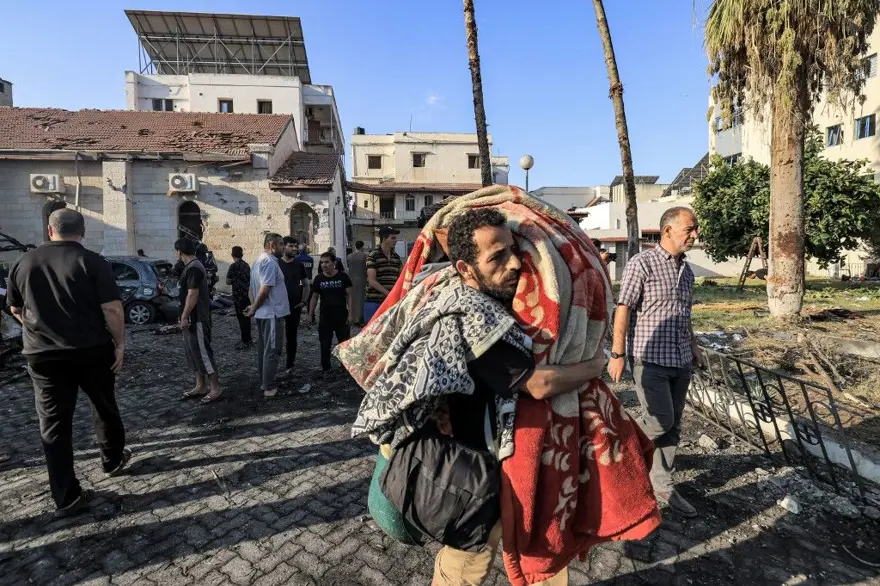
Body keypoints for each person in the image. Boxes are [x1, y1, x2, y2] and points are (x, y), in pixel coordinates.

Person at [431, 209, 605, 585]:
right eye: (496, 257)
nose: (513, 263)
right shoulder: (468, 317)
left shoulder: (505, 303)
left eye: (513, 250)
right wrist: (594, 366)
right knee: (464, 569)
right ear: (464, 269)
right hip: (477, 476)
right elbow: (538, 384)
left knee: (545, 560)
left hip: (526, 464)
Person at [6, 209, 130, 516]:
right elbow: (113, 309)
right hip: (91, 350)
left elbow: (15, 309)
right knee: (103, 405)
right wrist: (120, 344)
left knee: (53, 424)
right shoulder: (93, 262)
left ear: (49, 230)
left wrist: (37, 329)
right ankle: (112, 460)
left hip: (43, 355)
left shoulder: (23, 262)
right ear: (82, 232)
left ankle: (65, 495)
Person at [608, 206, 705, 519]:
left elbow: (684, 314)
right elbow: (623, 308)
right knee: (660, 420)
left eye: (696, 229)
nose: (695, 235)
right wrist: (617, 354)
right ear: (667, 230)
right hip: (650, 359)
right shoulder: (642, 263)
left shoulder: (687, 272)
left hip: (680, 359)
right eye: (689, 229)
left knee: (673, 425)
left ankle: (661, 483)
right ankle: (614, 451)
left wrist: (694, 347)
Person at [176, 238, 221, 404]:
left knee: (203, 353)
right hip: (191, 319)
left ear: (179, 252)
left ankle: (215, 388)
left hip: (198, 319)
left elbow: (193, 294)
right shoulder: (189, 267)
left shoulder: (194, 268)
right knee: (192, 353)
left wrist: (184, 316)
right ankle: (200, 386)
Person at [245, 233, 289, 398]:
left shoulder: (258, 261)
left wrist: (253, 306)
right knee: (272, 349)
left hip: (265, 313)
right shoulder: (269, 262)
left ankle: (265, 380)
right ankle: (269, 386)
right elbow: (264, 290)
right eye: (281, 244)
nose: (283, 247)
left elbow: (252, 288)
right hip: (271, 313)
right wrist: (254, 308)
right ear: (272, 245)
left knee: (264, 349)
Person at [308, 251, 354, 378]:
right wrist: (310, 314)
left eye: (327, 262)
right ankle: (326, 368)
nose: (324, 265)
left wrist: (351, 314)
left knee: (344, 343)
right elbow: (314, 298)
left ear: (334, 263)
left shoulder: (343, 277)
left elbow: (350, 295)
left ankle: (345, 367)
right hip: (325, 317)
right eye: (322, 262)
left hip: (341, 316)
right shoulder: (319, 278)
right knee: (325, 344)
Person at [279, 236, 310, 372]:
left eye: (296, 246)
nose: (294, 249)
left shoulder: (299, 265)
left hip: (294, 306)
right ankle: (273, 363)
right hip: (278, 306)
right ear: (283, 246)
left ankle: (290, 364)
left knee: (291, 336)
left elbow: (306, 285)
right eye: (291, 246)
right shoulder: (276, 264)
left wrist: (303, 301)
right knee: (276, 336)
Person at [364, 227, 402, 324]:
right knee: (372, 330)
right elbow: (372, 281)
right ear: (384, 239)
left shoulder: (396, 257)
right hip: (374, 302)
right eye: (393, 238)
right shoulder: (373, 256)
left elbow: (400, 278)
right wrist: (389, 294)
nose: (395, 240)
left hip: (391, 302)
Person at [226, 246, 252, 349]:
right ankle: (248, 339)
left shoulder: (233, 266)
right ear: (242, 254)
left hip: (238, 296)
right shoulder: (247, 265)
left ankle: (245, 341)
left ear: (232, 255)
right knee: (247, 317)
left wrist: (235, 280)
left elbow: (228, 281)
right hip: (247, 295)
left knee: (241, 319)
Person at [346, 240, 368, 325]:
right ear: (362, 246)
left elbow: (348, 266)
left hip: (351, 279)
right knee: (361, 299)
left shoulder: (349, 256)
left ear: (355, 246)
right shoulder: (365, 256)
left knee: (352, 299)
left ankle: (353, 317)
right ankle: (360, 318)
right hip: (362, 279)